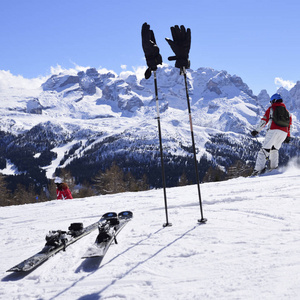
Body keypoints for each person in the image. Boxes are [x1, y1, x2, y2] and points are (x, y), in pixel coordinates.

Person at [251, 93, 292, 175]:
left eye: (271, 101)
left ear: (274, 100)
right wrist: (287, 136)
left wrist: (256, 130)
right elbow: (289, 125)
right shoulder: (287, 112)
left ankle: (258, 170)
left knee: (264, 150)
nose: (271, 103)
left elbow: (264, 120)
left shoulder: (271, 108)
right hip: (283, 132)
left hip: (273, 130)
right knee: (274, 149)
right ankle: (273, 168)